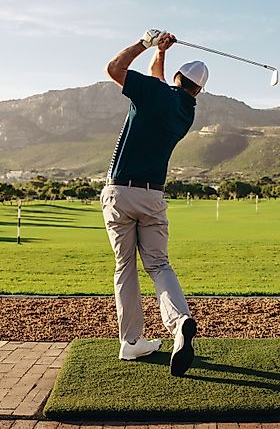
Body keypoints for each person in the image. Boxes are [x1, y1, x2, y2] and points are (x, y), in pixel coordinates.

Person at [101, 29, 209, 377]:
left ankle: (132, 341)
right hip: (153, 196)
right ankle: (179, 325)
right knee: (159, 265)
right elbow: (157, 79)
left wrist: (145, 43)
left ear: (178, 79)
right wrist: (161, 54)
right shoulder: (185, 111)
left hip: (121, 192)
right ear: (199, 90)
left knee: (125, 267)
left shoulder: (153, 92)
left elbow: (114, 68)